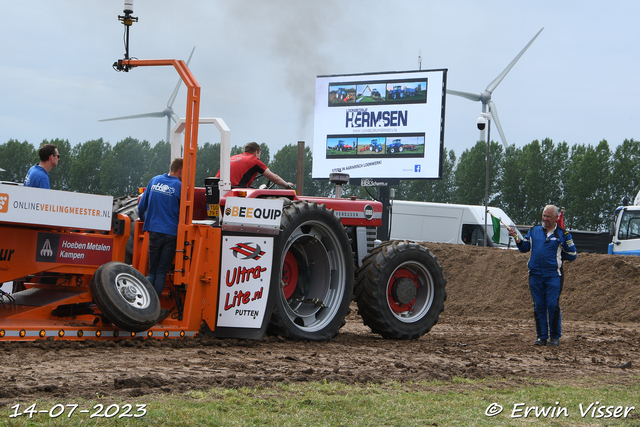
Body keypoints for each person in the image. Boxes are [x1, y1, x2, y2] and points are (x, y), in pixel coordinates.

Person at [508, 205, 577, 347]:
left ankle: (555, 337)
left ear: (556, 218)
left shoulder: (563, 234)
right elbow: (524, 248)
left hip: (553, 276)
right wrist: (516, 236)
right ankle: (541, 337)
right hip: (535, 275)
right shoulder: (534, 230)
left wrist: (556, 257)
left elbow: (572, 255)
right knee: (539, 305)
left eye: (548, 216)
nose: (545, 219)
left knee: (552, 305)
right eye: (544, 216)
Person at [138, 158, 183, 322]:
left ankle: (144, 305)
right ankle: (153, 310)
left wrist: (144, 218)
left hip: (154, 231)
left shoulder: (154, 180)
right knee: (162, 272)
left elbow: (141, 206)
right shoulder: (179, 186)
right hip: (171, 233)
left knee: (152, 271)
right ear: (180, 170)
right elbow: (185, 212)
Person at [215, 142, 294, 188]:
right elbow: (274, 178)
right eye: (260, 155)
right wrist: (286, 185)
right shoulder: (254, 160)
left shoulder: (232, 157)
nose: (259, 158)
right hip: (234, 189)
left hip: (216, 187)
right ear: (256, 152)